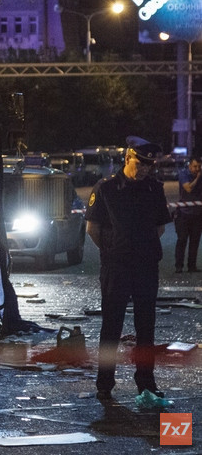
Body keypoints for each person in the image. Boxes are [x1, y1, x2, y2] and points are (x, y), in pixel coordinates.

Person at [85, 136, 171, 401]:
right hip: (117, 267)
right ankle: (104, 383)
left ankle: (146, 382)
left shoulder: (154, 189)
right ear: (127, 158)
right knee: (111, 326)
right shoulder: (106, 188)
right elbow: (93, 229)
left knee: (146, 328)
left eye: (149, 165)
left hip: (145, 266)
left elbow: (159, 227)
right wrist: (113, 251)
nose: (144, 169)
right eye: (140, 163)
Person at [174, 156, 202, 273]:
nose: (197, 169)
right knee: (182, 240)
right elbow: (188, 188)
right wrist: (198, 178)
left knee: (195, 241)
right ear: (190, 166)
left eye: (199, 166)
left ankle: (192, 266)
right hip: (183, 214)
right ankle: (179, 266)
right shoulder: (184, 174)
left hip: (198, 214)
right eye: (195, 166)